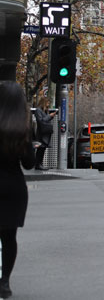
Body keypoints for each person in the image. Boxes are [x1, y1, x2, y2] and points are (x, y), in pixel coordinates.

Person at [0, 81, 35, 299]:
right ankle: (4, 282)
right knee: (9, 237)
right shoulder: (22, 128)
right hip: (13, 188)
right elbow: (29, 163)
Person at [33, 96, 56, 171]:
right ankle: (38, 164)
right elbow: (41, 121)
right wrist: (49, 116)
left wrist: (50, 116)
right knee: (40, 149)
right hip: (41, 133)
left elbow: (45, 120)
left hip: (45, 133)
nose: (48, 104)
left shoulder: (44, 110)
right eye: (47, 102)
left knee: (43, 149)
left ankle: (40, 164)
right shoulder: (38, 110)